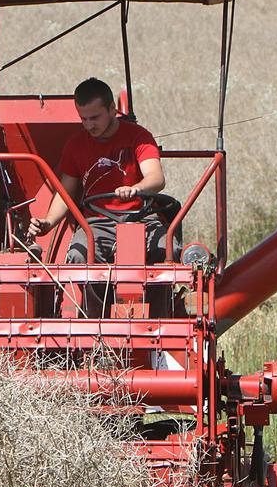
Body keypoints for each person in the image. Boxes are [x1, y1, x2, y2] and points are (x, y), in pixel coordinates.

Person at [25, 77, 174, 313]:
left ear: (112, 109)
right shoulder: (76, 145)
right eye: (83, 118)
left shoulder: (138, 137)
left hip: (141, 217)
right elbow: (65, 193)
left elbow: (156, 178)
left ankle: (159, 319)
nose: (89, 125)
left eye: (94, 118)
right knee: (79, 256)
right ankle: (96, 323)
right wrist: (48, 222)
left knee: (165, 251)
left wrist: (136, 189)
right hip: (97, 222)